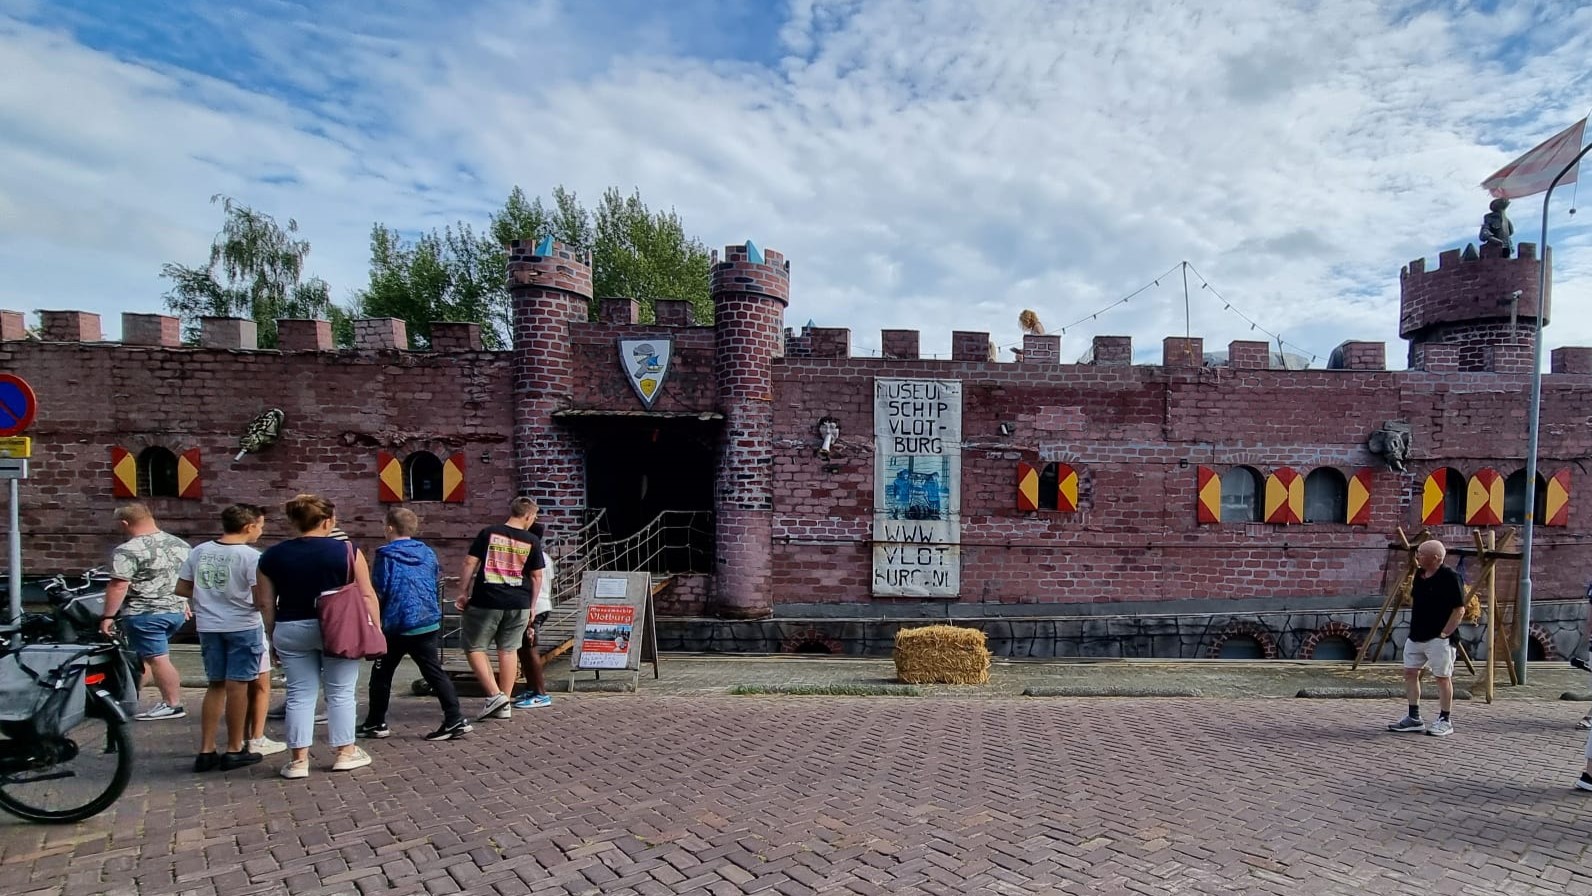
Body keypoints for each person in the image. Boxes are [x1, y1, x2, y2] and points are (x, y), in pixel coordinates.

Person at [257, 494, 377, 778]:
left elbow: (265, 602)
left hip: (291, 625)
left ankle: (298, 760)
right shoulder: (348, 551)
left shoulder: (271, 555)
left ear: (292, 522)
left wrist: (272, 635)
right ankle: (345, 752)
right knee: (341, 692)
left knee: (299, 693)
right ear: (329, 521)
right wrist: (374, 629)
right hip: (339, 627)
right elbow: (366, 593)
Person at [358, 507, 472, 741]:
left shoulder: (385, 555)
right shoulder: (427, 552)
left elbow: (380, 588)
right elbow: (433, 579)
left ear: (389, 528)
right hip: (426, 619)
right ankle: (454, 717)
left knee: (381, 673)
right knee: (434, 671)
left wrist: (375, 621)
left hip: (397, 622)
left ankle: (375, 722)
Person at [176, 503, 269, 771]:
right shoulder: (251, 557)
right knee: (238, 685)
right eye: (260, 526)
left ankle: (206, 749)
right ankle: (234, 747)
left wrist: (210, 598)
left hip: (208, 625)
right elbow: (258, 597)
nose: (261, 532)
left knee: (215, 684)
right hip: (241, 624)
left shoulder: (200, 551)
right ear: (249, 526)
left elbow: (182, 587)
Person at [99, 503, 192, 721]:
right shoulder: (180, 545)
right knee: (145, 657)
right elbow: (186, 579)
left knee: (158, 658)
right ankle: (129, 699)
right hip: (176, 611)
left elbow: (119, 585)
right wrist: (184, 602)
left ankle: (173, 704)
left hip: (146, 613)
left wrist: (108, 616)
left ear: (124, 523)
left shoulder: (128, 550)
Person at [457, 497, 546, 721]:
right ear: (528, 515)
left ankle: (495, 696)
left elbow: (470, 562)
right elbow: (537, 576)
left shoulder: (488, 533)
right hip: (519, 602)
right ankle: (504, 701)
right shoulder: (532, 540)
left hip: (486, 599)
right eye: (534, 516)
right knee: (508, 650)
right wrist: (532, 606)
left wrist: (463, 591)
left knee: (475, 647)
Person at [1388, 540, 1465, 737]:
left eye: (1421, 554)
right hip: (1417, 635)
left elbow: (1459, 609)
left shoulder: (1451, 577)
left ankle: (1445, 719)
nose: (1418, 557)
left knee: (1442, 677)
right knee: (1410, 673)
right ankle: (1414, 717)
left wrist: (1444, 633)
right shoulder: (1419, 576)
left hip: (1439, 637)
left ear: (1436, 558)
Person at [512, 521, 555, 710]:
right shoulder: (545, 556)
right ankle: (531, 687)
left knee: (530, 649)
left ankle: (541, 693)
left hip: (534, 607)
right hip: (543, 604)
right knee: (522, 648)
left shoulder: (531, 555)